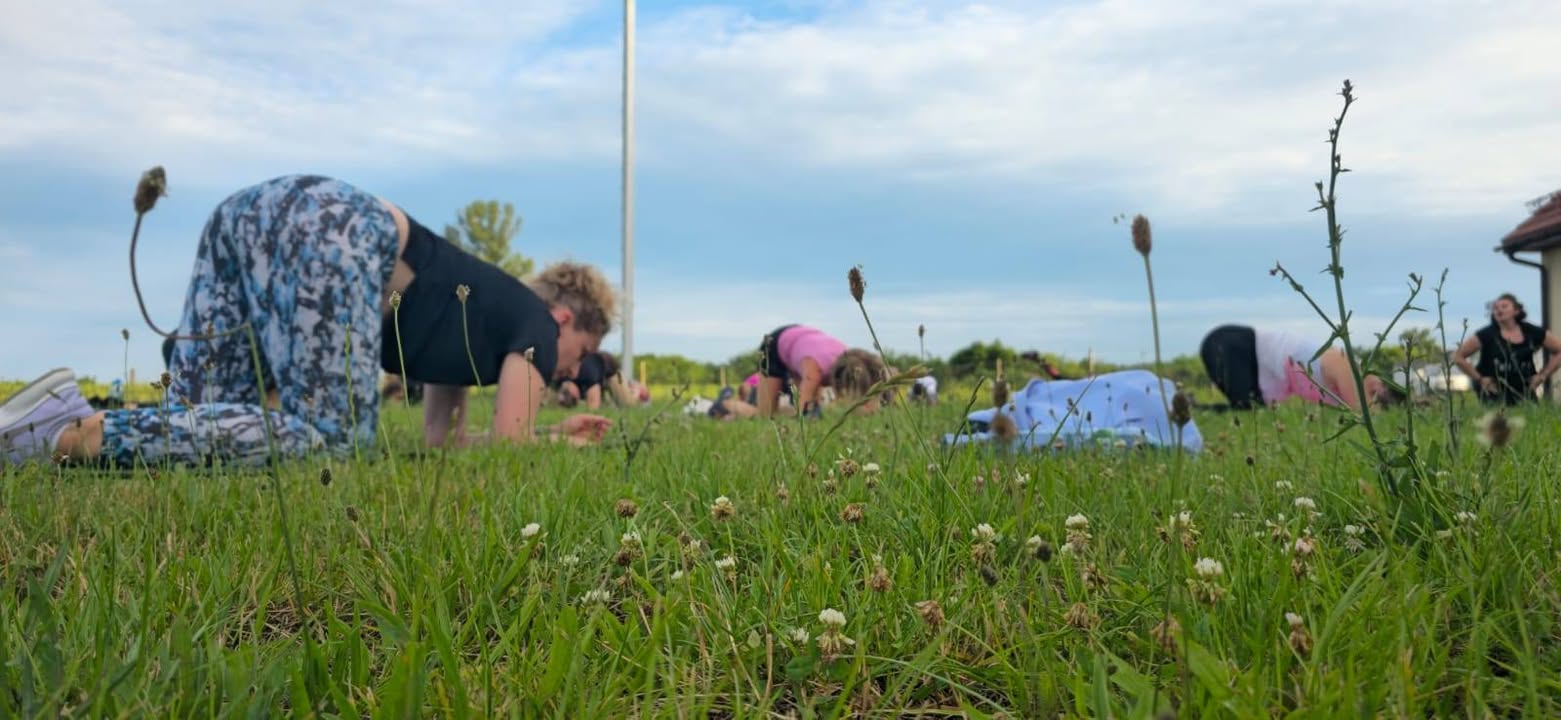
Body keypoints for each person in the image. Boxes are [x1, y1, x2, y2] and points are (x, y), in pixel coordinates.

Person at [1, 174, 614, 468]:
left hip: (249, 213)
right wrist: (558, 441)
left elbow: (444, 443)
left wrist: (556, 433)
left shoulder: (475, 322)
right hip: (341, 227)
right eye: (580, 350)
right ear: (563, 317)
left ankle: (58, 417)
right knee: (334, 438)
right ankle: (69, 434)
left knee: (204, 414)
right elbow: (512, 447)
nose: (571, 366)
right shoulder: (534, 324)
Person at [1199, 324, 1398, 411]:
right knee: (1245, 410)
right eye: (1381, 385)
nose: (1377, 389)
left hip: (1251, 359)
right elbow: (1364, 414)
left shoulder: (1343, 388)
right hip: (1232, 345)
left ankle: (1192, 407)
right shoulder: (1347, 364)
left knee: (1250, 411)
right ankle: (1189, 408)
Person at [750, 325, 888, 417]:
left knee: (814, 411)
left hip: (801, 342)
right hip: (775, 345)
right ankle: (731, 406)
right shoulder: (814, 371)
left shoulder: (851, 360)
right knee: (766, 415)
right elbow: (801, 415)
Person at [1452, 293, 1561, 405]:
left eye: (1504, 306)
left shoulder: (1531, 331)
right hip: (1494, 390)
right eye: (1495, 308)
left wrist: (1542, 375)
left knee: (1531, 418)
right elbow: (1458, 357)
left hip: (1525, 389)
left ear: (1516, 311)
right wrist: (1480, 379)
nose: (1499, 310)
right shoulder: (1486, 335)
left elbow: (1559, 350)